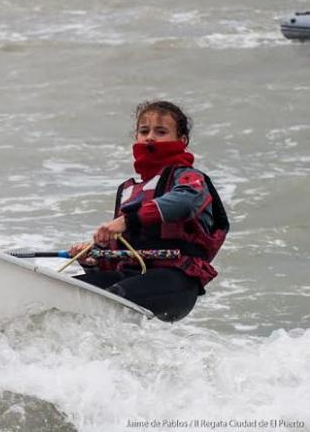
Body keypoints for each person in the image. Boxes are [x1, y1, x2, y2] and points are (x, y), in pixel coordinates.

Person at [70, 101, 229, 322]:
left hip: (177, 281)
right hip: (133, 275)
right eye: (144, 131)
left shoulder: (190, 179)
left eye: (161, 131)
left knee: (111, 298)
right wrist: (93, 261)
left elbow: (185, 202)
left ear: (182, 141)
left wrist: (128, 220)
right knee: (72, 291)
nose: (150, 137)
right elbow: (119, 258)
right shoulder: (128, 191)